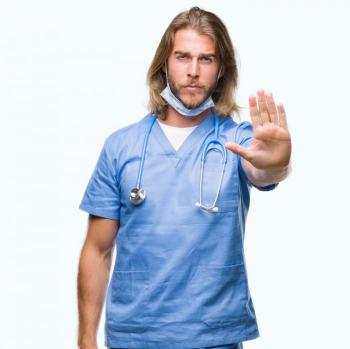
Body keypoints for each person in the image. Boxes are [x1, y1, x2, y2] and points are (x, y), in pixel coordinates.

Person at [76, 7, 292, 349]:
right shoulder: (121, 147)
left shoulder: (237, 141)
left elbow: (263, 170)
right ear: (165, 63)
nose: (193, 71)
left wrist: (278, 162)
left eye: (206, 59)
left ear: (222, 70)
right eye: (183, 57)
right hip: (135, 337)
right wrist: (86, 338)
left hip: (213, 337)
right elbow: (97, 249)